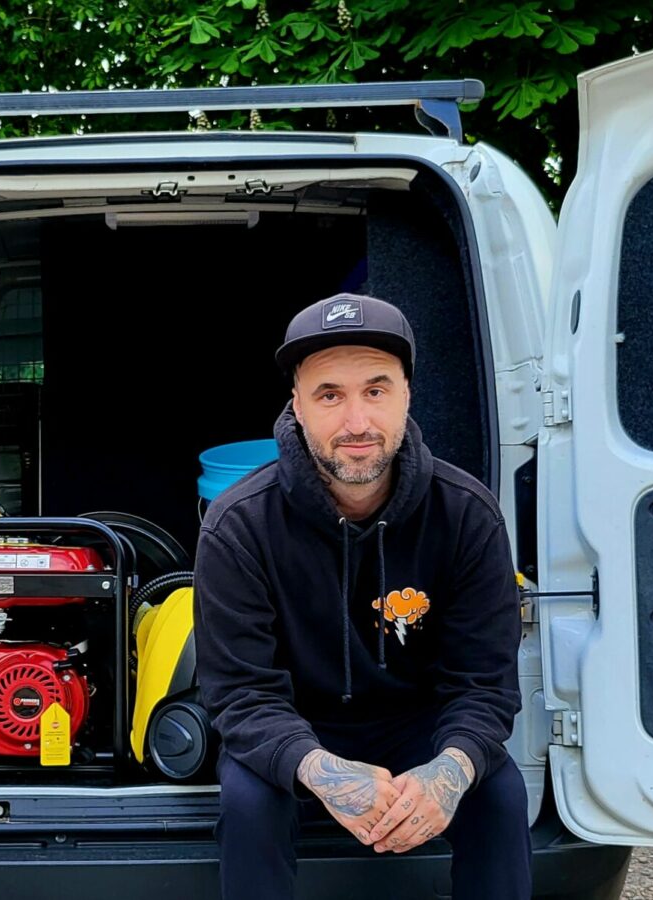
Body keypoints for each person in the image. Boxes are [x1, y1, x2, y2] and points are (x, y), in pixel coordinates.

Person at [194, 293, 529, 899]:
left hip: (419, 724)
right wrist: (322, 771)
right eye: (329, 395)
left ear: (406, 395)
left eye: (376, 390)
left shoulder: (468, 514)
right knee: (248, 799)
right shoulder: (237, 524)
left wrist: (446, 774)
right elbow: (240, 696)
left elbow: (484, 687)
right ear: (296, 406)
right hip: (293, 723)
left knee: (499, 790)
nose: (356, 423)